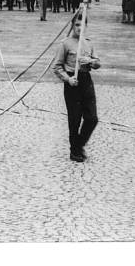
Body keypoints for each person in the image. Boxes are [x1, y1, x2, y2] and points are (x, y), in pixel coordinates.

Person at [52, 12, 101, 163]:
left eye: (82, 25)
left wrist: (91, 61)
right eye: (77, 25)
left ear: (86, 26)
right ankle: (74, 151)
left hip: (86, 80)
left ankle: (79, 145)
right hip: (72, 83)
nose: (79, 28)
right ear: (72, 26)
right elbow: (57, 67)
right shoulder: (65, 43)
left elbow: (98, 63)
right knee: (74, 119)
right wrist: (67, 79)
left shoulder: (88, 43)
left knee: (92, 118)